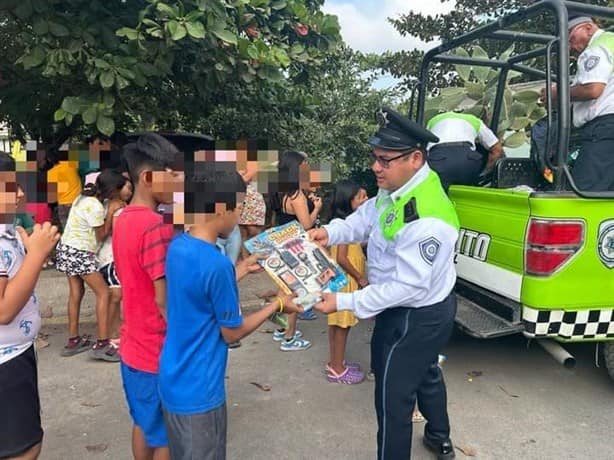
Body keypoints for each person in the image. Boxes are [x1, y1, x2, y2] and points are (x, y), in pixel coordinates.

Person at [311, 107, 459, 460]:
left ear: (415, 158)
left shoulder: (427, 217)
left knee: (393, 399)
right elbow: (365, 219)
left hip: (413, 315)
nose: (376, 167)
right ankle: (439, 436)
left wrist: (344, 303)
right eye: (375, 158)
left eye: (384, 160)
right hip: (419, 307)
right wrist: (327, 232)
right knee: (424, 372)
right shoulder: (398, 188)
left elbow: (407, 287)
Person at [159, 161, 303, 460]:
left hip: (173, 377)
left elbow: (199, 291)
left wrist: (240, 269)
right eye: (238, 207)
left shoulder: (178, 247)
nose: (240, 215)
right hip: (201, 388)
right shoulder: (216, 264)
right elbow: (231, 332)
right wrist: (276, 305)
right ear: (220, 209)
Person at [112, 133, 182, 460]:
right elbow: (163, 299)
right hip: (157, 348)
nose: (177, 181)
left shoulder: (123, 218)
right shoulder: (155, 226)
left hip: (132, 344)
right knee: (167, 434)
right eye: (172, 174)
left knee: (143, 422)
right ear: (148, 177)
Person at [0, 152, 60, 460]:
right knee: (24, 448)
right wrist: (36, 255)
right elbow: (3, 311)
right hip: (7, 364)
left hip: (16, 353)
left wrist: (29, 252)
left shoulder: (7, 230)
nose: (21, 194)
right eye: (9, 188)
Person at [55, 171, 126, 362]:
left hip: (66, 249)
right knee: (105, 293)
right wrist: (110, 213)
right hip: (81, 253)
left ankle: (73, 340)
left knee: (76, 294)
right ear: (112, 191)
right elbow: (101, 235)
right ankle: (103, 343)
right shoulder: (95, 206)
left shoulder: (82, 198)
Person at [541, 15, 614, 191]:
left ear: (588, 28)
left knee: (585, 191)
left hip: (605, 129)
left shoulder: (596, 48)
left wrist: (557, 93)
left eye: (571, 38)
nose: (571, 47)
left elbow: (592, 89)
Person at [268, 150, 321, 347]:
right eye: (304, 164)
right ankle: (289, 338)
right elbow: (307, 225)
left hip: (281, 244)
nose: (307, 167)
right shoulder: (297, 195)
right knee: (296, 293)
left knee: (283, 290)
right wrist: (316, 208)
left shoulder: (279, 193)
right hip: (296, 247)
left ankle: (281, 329)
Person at [326, 180, 369, 384]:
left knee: (336, 324)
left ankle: (335, 361)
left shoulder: (344, 224)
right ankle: (337, 369)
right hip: (347, 283)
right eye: (361, 197)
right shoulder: (344, 225)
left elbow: (352, 246)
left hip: (340, 282)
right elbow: (343, 258)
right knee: (343, 326)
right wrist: (360, 277)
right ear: (348, 200)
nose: (366, 199)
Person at [96, 172, 133, 351]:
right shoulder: (117, 208)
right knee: (116, 296)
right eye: (126, 186)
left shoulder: (105, 204)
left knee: (116, 296)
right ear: (116, 189)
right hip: (112, 257)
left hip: (107, 256)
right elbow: (119, 236)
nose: (129, 190)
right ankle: (111, 334)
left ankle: (115, 333)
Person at [426, 111, 503, 191]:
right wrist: (484, 173)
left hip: (439, 160)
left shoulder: (433, 120)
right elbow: (496, 149)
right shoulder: (474, 120)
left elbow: (424, 148)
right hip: (468, 161)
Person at [46, 150, 82, 231]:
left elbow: (52, 198)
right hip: (79, 202)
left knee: (67, 231)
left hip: (64, 205)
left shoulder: (51, 173)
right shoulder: (72, 165)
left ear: (49, 159)